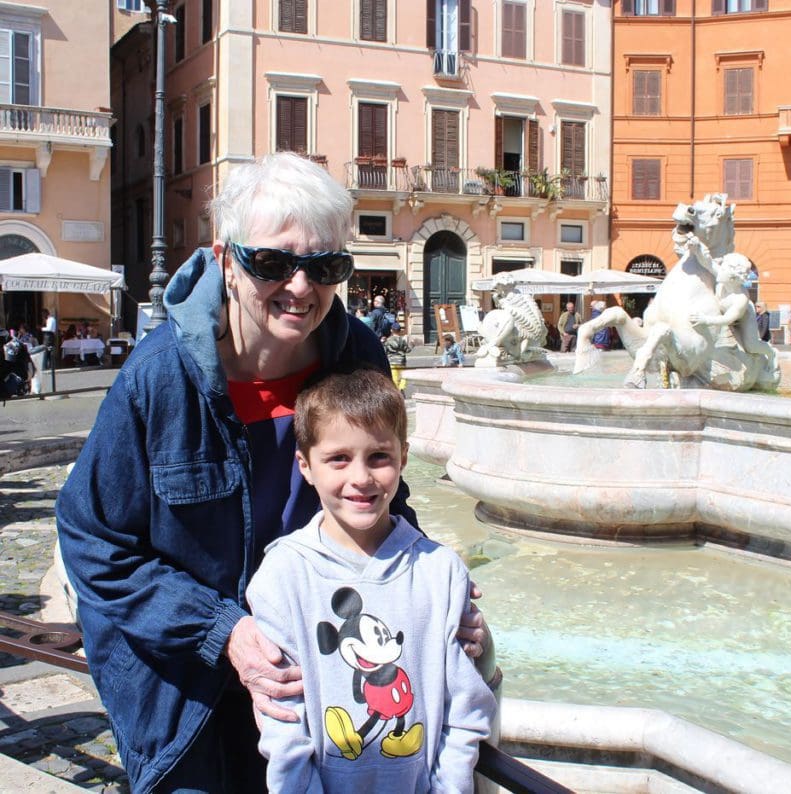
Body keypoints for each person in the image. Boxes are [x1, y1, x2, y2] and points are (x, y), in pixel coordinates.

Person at [56, 152, 492, 794]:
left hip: (324, 685)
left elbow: (381, 500)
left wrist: (435, 593)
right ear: (226, 260)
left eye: (325, 266)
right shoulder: (159, 379)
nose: (300, 285)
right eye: (272, 262)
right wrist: (224, 631)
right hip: (191, 696)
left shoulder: (356, 354)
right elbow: (94, 543)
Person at [248, 369, 497, 792]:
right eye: (338, 459)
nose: (361, 478)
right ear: (305, 466)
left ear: (403, 456)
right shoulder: (281, 576)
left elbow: (465, 709)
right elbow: (284, 725)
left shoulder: (442, 572)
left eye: (378, 457)